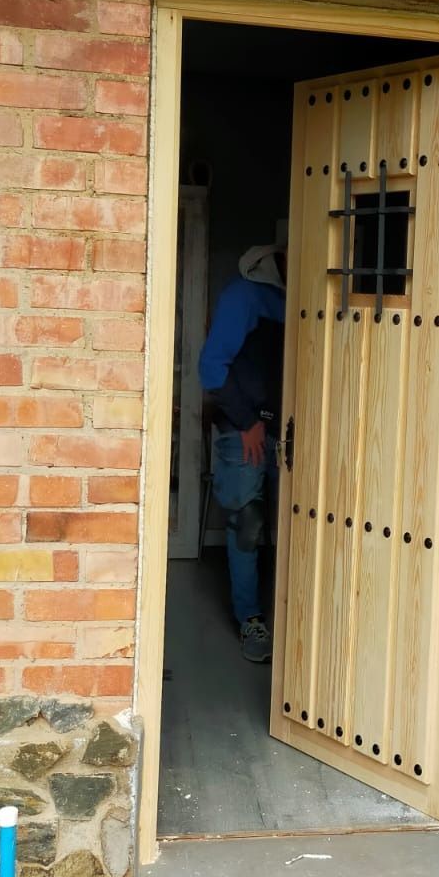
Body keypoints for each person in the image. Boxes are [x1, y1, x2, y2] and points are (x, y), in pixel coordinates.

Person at [198, 244, 287, 661]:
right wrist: (248, 420)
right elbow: (211, 367)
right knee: (247, 523)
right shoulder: (243, 295)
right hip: (247, 431)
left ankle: (296, 620)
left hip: (290, 428)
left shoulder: (303, 299)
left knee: (293, 524)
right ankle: (251, 619)